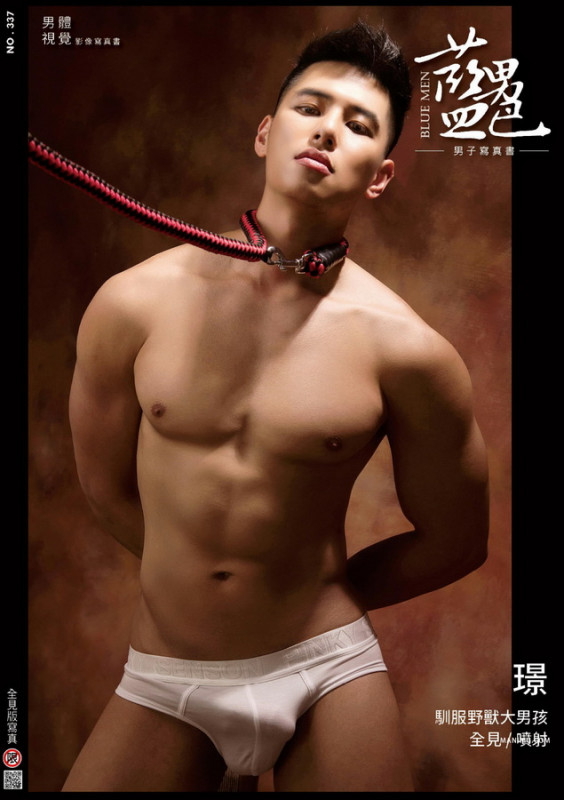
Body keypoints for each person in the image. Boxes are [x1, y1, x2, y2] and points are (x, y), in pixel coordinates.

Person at [63, 20, 488, 793]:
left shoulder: (407, 350)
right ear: (266, 133)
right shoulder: (133, 304)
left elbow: (457, 540)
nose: (326, 129)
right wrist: (195, 586)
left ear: (381, 176)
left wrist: (307, 594)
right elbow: (103, 486)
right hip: (167, 674)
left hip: (325, 673)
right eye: (310, 107)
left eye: (358, 124)